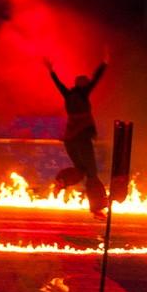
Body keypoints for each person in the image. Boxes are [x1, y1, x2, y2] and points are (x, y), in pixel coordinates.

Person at [43, 52, 109, 219]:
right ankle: (97, 208)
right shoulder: (83, 94)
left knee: (81, 170)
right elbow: (96, 79)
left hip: (70, 139)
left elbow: (58, 84)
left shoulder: (68, 94)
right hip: (81, 138)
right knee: (91, 173)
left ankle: (63, 181)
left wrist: (51, 71)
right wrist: (104, 63)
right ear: (83, 85)